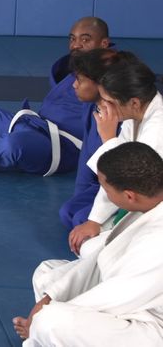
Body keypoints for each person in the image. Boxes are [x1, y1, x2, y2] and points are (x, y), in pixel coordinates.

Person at [13, 141, 163, 346]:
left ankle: (41, 334)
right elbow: (100, 259)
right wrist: (50, 298)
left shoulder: (157, 244)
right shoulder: (149, 206)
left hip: (152, 327)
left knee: (50, 321)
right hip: (129, 295)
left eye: (106, 190)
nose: (105, 195)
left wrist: (43, 315)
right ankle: (44, 333)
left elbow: (118, 294)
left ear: (129, 196)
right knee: (47, 274)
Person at [0, 17, 110, 175]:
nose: (76, 45)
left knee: (12, 144)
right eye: (72, 39)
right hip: (35, 127)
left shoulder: (109, 76)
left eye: (85, 39)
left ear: (104, 43)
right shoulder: (75, 68)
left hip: (60, 147)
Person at [68, 53, 163, 254]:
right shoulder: (135, 114)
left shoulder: (157, 129)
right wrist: (94, 220)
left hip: (151, 207)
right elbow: (113, 182)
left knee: (90, 248)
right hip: (133, 197)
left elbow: (129, 178)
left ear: (134, 102)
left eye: (108, 101)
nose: (103, 106)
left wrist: (108, 139)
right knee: (76, 219)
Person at [59, 49, 121, 235]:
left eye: (80, 80)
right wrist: (80, 195)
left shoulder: (123, 119)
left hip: (124, 187)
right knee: (68, 212)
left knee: (82, 219)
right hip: (100, 185)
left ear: (100, 84)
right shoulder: (90, 108)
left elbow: (123, 174)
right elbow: (86, 155)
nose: (74, 85)